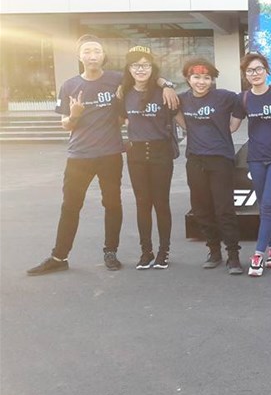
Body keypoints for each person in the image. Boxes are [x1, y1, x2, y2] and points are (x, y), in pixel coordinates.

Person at [27, 35, 177, 276]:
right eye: (87, 51)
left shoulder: (117, 80)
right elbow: (65, 124)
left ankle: (110, 251)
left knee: (112, 204)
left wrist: (167, 84)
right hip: (79, 155)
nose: (92, 56)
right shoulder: (69, 85)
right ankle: (59, 256)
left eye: (97, 51)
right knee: (70, 206)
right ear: (79, 56)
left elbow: (145, 76)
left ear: (103, 55)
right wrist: (75, 114)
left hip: (110, 154)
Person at [175, 58, 246, 275]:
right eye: (196, 77)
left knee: (224, 209)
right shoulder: (181, 99)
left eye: (206, 78)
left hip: (221, 159)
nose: (201, 82)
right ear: (188, 78)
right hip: (195, 160)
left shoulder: (224, 97)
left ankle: (233, 256)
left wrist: (232, 126)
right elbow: (173, 111)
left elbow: (242, 103)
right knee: (201, 208)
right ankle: (214, 251)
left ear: (212, 80)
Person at [235, 52, 271, 277]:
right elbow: (232, 126)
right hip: (256, 157)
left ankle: (258, 254)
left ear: (267, 71)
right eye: (250, 70)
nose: (255, 73)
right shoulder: (243, 99)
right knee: (264, 206)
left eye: (259, 69)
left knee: (269, 204)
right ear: (245, 75)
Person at [120, 46, 177, 270]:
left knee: (161, 203)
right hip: (136, 154)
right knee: (142, 203)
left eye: (145, 65)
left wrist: (167, 85)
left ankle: (164, 251)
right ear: (129, 68)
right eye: (136, 65)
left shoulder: (163, 91)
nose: (140, 69)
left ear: (152, 67)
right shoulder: (123, 93)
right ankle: (146, 251)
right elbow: (120, 119)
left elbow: (177, 114)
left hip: (160, 152)